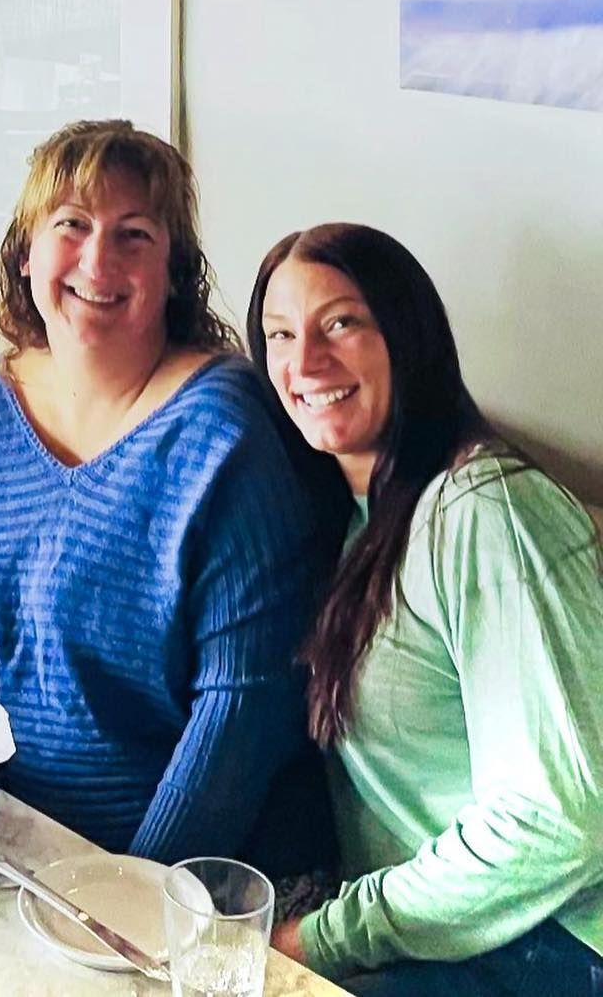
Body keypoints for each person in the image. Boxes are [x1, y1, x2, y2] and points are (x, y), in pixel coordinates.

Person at [0, 119, 326, 865]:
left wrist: (127, 894)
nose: (99, 260)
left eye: (135, 235)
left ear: (172, 272)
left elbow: (243, 709)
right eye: (72, 225)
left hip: (168, 876)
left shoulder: (222, 434)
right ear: (27, 253)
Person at [250, 223, 603, 996]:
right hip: (441, 933)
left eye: (340, 322)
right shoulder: (347, 513)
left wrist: (324, 936)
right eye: (281, 334)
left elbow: (558, 819)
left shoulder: (488, 510)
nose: (305, 361)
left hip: (552, 939)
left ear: (407, 336)